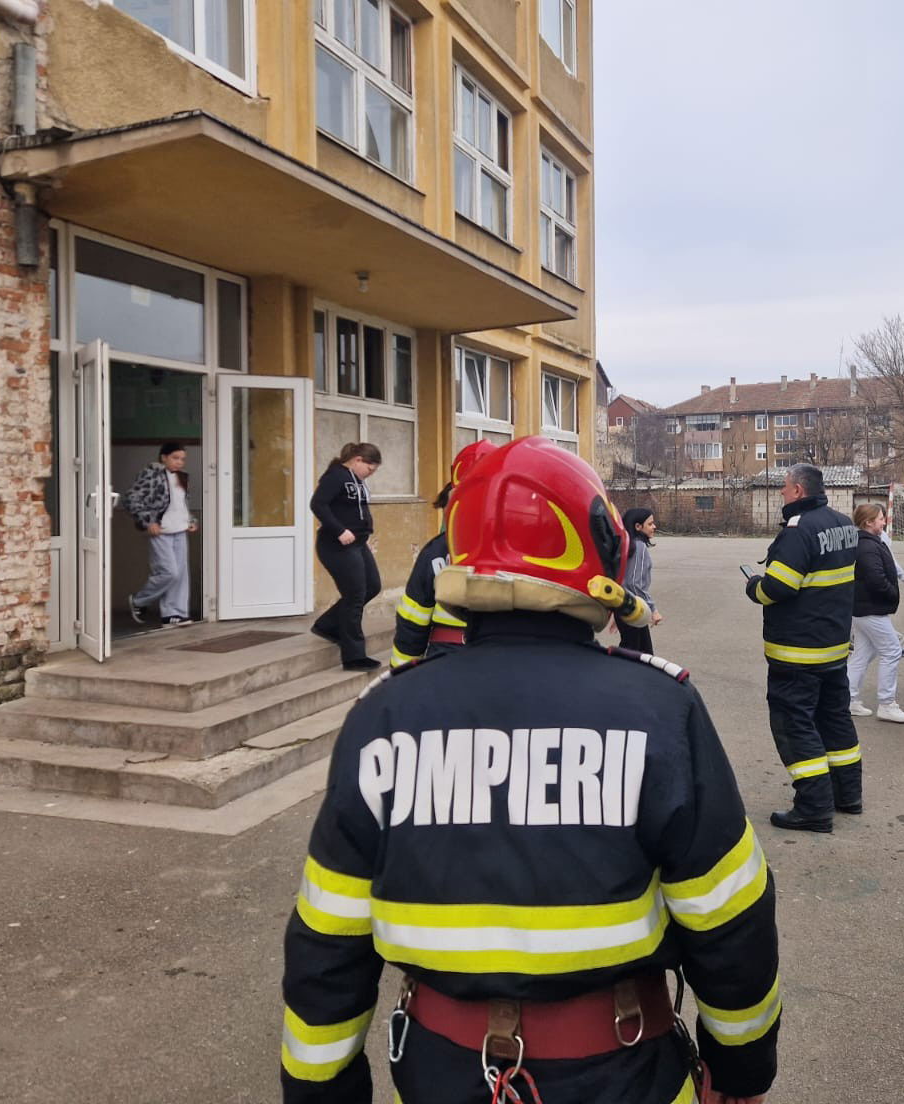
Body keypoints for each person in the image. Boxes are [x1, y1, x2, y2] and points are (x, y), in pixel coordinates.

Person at [280, 436, 779, 1104]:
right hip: (626, 1072)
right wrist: (742, 1068)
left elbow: (327, 938)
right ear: (601, 547)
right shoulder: (661, 708)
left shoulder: (384, 715)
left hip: (436, 1074)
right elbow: (729, 919)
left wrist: (318, 1092)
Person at [743, 463, 862, 832]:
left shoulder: (799, 530)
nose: (780, 493)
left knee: (795, 725)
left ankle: (813, 807)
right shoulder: (843, 524)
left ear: (797, 491)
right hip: (833, 646)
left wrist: (754, 587)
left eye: (783, 487)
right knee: (835, 720)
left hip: (797, 651)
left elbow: (779, 588)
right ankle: (848, 795)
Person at [390, 441, 498, 666]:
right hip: (502, 661)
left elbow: (413, 620)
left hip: (446, 659)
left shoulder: (438, 549)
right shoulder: (524, 549)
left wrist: (401, 675)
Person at [310, 443, 384, 672]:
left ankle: (327, 625)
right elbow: (318, 504)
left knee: (372, 586)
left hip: (359, 544)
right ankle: (353, 656)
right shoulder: (336, 476)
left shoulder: (357, 480)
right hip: (337, 545)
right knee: (354, 596)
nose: (370, 474)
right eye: (370, 469)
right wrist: (339, 530)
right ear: (358, 460)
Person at [847, 503, 904, 723]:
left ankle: (848, 699)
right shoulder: (867, 546)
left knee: (862, 654)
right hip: (870, 609)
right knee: (892, 650)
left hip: (865, 608)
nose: (884, 522)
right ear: (869, 522)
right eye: (881, 519)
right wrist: (892, 593)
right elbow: (876, 578)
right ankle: (887, 704)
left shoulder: (871, 542)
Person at [125, 441, 198, 628]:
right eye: (175, 458)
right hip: (161, 532)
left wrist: (191, 521)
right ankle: (139, 601)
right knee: (169, 572)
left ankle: (174, 614)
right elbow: (131, 499)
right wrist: (148, 522)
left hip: (180, 530)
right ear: (163, 457)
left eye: (182, 459)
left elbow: (180, 505)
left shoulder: (183, 478)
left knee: (180, 575)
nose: (179, 462)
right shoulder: (151, 475)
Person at [617, 506, 664, 653]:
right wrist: (652, 609)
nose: (654, 527)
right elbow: (634, 584)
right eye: (650, 524)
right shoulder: (639, 547)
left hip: (626, 606)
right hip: (633, 607)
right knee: (634, 653)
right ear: (638, 526)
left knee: (643, 652)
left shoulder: (628, 545)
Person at [877, 506, 904, 656]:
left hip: (869, 591)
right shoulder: (874, 539)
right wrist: (902, 576)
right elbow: (890, 560)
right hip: (875, 588)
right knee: (877, 620)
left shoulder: (881, 536)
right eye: (880, 519)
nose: (884, 523)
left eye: (883, 518)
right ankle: (896, 644)